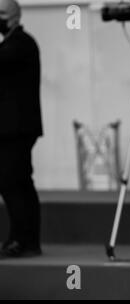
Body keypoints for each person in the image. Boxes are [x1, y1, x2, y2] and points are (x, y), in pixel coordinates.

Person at [0, 0, 43, 258]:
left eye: (3, 14)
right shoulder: (11, 43)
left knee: (12, 183)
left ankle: (22, 240)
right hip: (12, 128)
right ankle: (24, 239)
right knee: (19, 183)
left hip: (15, 129)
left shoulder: (22, 43)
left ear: (16, 17)